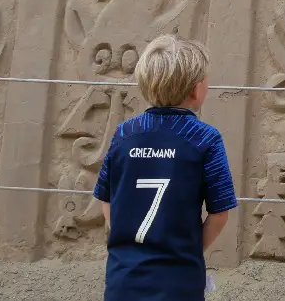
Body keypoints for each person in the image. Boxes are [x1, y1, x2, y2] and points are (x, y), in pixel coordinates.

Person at [94, 35, 238, 301]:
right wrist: (191, 251)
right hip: (179, 282)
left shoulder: (124, 134)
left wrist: (128, 243)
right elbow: (220, 213)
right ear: (196, 90)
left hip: (122, 280)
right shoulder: (206, 138)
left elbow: (106, 199)